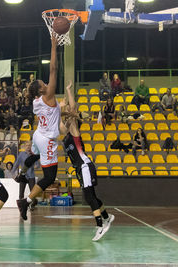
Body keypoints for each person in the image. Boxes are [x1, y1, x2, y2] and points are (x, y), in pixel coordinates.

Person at [61, 81, 114, 241]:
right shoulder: (65, 134)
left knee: (88, 197)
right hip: (80, 168)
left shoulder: (75, 131)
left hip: (84, 165)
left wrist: (69, 92)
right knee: (91, 195)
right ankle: (106, 216)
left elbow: (72, 108)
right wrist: (58, 109)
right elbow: (59, 119)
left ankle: (99, 226)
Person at [16, 35, 60, 221]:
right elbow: (54, 68)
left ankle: (21, 174)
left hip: (38, 134)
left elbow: (53, 114)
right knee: (49, 177)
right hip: (47, 138)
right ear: (41, 90)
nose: (46, 83)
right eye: (43, 83)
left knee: (35, 156)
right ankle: (25, 201)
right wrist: (53, 45)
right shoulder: (48, 95)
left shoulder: (36, 102)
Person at [12, 141, 39, 209]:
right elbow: (16, 164)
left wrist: (36, 166)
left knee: (32, 192)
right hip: (23, 176)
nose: (28, 147)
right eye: (27, 145)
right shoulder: (21, 154)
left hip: (31, 176)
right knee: (21, 192)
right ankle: (21, 206)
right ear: (24, 146)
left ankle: (32, 205)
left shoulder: (34, 154)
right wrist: (13, 173)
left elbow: (38, 164)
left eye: (29, 145)